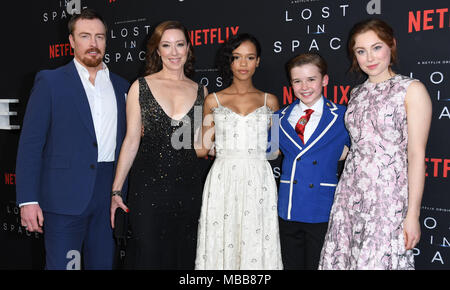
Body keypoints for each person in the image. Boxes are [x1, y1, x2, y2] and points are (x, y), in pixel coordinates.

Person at [16, 8, 129, 270]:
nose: (93, 44)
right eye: (85, 36)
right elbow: (31, 145)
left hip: (108, 196)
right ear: (71, 41)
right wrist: (28, 199)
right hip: (64, 197)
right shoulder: (51, 82)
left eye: (99, 37)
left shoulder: (123, 86)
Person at [318, 18, 432, 270]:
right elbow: (358, 146)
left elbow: (415, 154)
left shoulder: (411, 90)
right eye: (361, 51)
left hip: (387, 197)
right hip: (350, 194)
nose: (369, 57)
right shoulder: (356, 94)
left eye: (376, 47)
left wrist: (412, 214)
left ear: (392, 45)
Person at [110, 20, 208, 269]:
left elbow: (200, 145)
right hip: (148, 192)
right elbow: (131, 140)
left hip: (189, 191)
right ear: (157, 50)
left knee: (184, 258)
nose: (174, 52)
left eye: (180, 45)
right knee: (148, 257)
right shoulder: (140, 87)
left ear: (188, 48)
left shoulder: (202, 92)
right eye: (167, 45)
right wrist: (116, 191)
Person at [195, 33, 283, 270]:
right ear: (229, 61)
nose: (243, 64)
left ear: (258, 61)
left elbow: (273, 150)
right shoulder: (213, 101)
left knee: (256, 241)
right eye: (237, 57)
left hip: (258, 179)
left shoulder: (270, 101)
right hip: (223, 179)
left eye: (250, 57)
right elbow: (201, 148)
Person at [274, 53, 350, 270]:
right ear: (290, 84)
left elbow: (361, 154)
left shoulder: (342, 116)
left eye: (311, 79)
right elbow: (267, 153)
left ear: (324, 80)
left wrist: (344, 153)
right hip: (288, 207)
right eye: (297, 81)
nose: (304, 87)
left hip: (322, 208)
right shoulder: (278, 117)